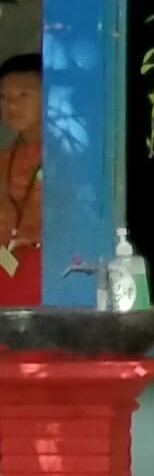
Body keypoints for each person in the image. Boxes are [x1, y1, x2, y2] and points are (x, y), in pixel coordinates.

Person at [1, 51, 42, 306]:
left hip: (50, 277)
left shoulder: (73, 161)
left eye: (23, 95)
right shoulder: (3, 159)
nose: (11, 106)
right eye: (3, 97)